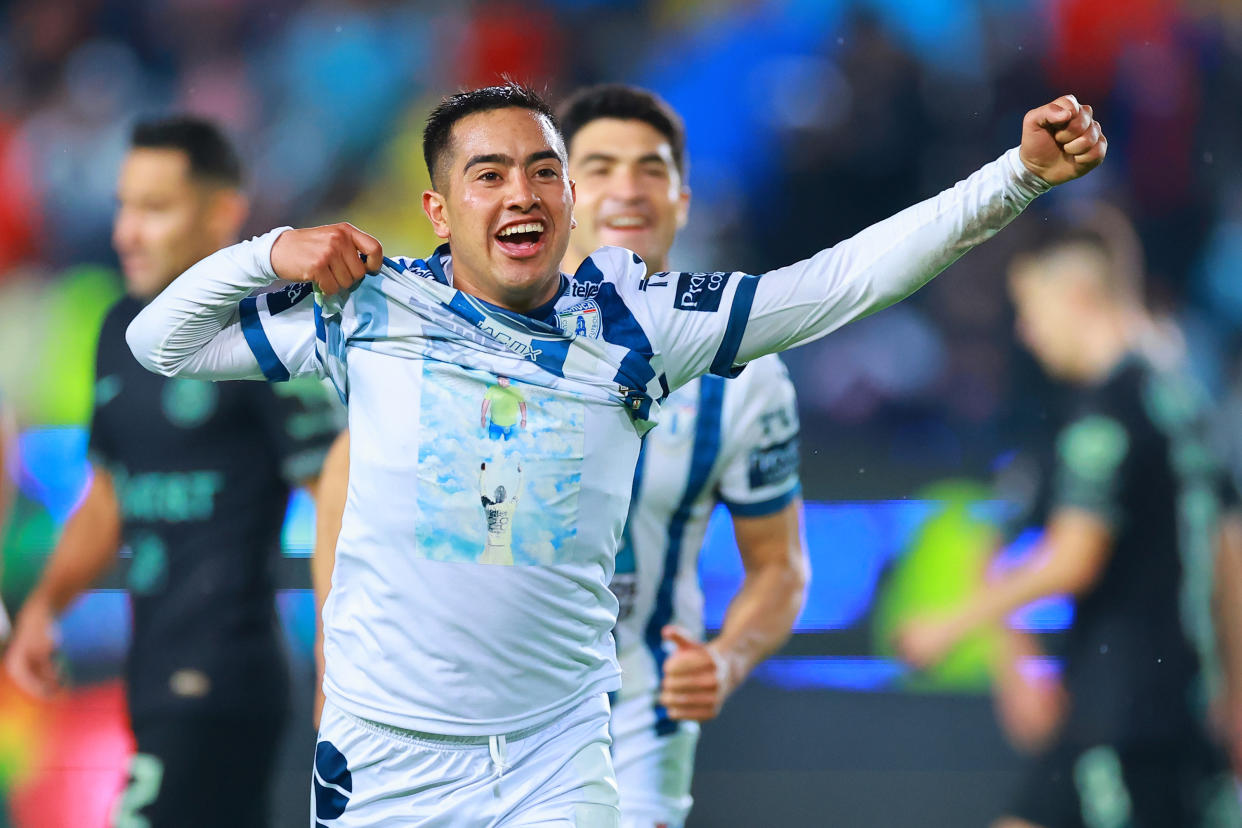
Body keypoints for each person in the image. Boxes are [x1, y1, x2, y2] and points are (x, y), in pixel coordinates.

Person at [125, 82, 1105, 825]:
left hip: (561, 759)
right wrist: (266, 255)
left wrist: (1014, 177)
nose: (526, 193)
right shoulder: (371, 308)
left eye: (545, 172)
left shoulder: (639, 322)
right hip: (389, 763)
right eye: (491, 174)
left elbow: (841, 283)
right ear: (438, 212)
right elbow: (158, 343)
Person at [3, 117, 343, 827]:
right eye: (125, 205)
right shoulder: (117, 328)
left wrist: (343, 660)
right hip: (151, 679)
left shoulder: (266, 327)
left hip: (228, 681)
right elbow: (107, 499)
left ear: (222, 213)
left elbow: (336, 482)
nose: (126, 231)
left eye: (154, 208)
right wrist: (44, 610)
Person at [897, 212, 1242, 828]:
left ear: (1077, 295)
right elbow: (1229, 555)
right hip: (1172, 711)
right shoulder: (1185, 403)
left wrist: (949, 626)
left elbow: (1073, 555)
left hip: (1126, 720)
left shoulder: (1103, 415)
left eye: (1031, 307)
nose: (1027, 332)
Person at [556, 83, 808, 828]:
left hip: (639, 714)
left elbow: (781, 566)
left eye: (652, 169)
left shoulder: (746, 376)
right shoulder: (482, 331)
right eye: (599, 167)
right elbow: (353, 472)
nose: (628, 190)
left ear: (684, 199)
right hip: (482, 710)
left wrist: (726, 659)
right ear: (559, 193)